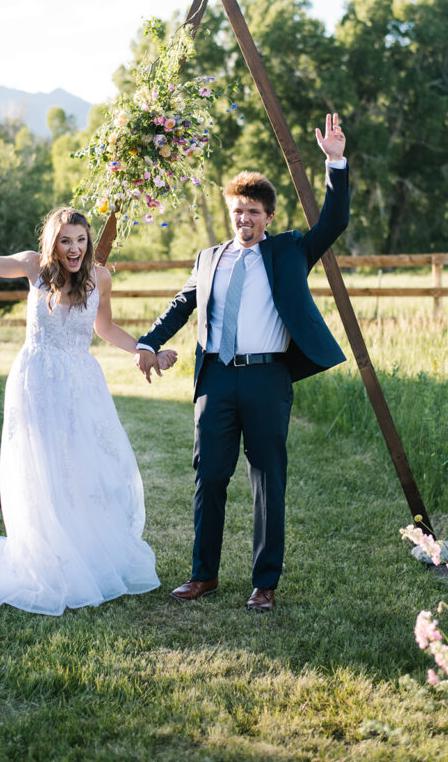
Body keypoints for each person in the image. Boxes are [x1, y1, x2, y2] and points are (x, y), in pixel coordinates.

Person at [0, 203, 175, 614]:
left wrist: (148, 350)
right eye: (66, 241)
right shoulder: (33, 268)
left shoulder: (99, 277)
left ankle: (80, 550)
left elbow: (105, 328)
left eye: (81, 240)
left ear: (89, 243)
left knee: (84, 466)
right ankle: (45, 553)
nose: (74, 249)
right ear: (53, 242)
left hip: (81, 383)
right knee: (39, 466)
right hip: (35, 380)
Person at [135, 114, 349, 611]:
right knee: (209, 476)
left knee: (267, 478)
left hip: (267, 378)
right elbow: (181, 305)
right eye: (237, 212)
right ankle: (202, 575)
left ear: (268, 217)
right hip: (215, 377)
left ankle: (264, 582)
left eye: (253, 212)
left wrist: (335, 162)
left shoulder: (291, 250)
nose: (244, 220)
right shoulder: (209, 257)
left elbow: (335, 221)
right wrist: (148, 341)